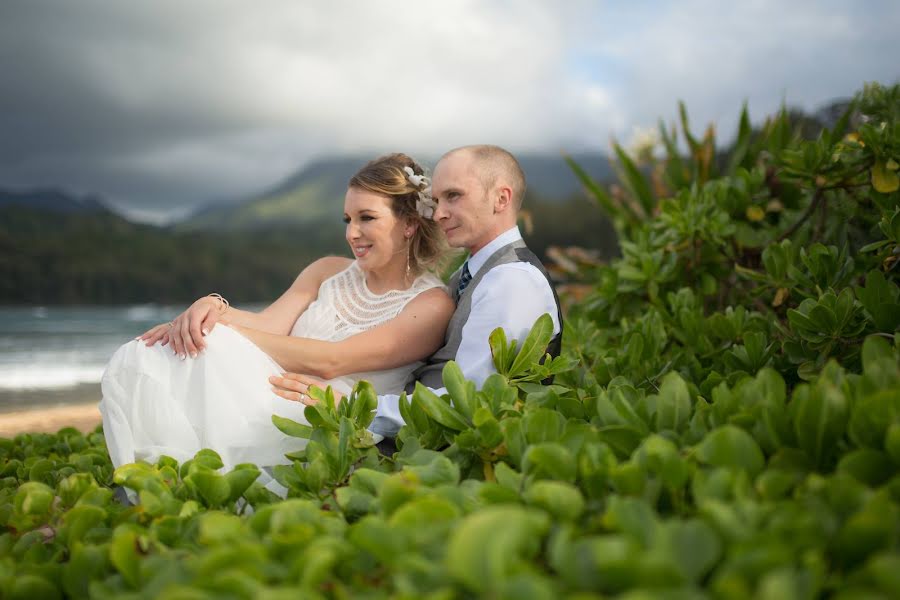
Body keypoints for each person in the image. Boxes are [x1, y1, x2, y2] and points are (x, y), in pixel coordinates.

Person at [99, 153, 455, 484]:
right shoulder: (327, 271)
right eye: (347, 219)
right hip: (267, 389)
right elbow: (268, 326)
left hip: (328, 424)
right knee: (151, 353)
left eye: (367, 218)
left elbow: (332, 361)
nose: (351, 233)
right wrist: (212, 309)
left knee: (209, 345)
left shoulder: (430, 304)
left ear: (408, 224)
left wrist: (225, 330)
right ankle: (152, 482)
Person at [270, 145, 563, 440]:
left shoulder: (511, 280)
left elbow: (472, 402)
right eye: (436, 200)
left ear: (501, 198)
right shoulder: (472, 274)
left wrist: (352, 406)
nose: (438, 214)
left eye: (454, 196)